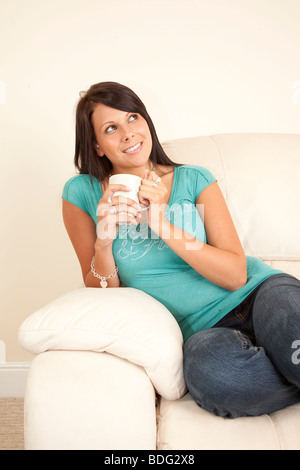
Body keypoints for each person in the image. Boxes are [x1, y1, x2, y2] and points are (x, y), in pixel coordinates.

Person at [62, 81, 300, 418]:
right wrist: (104, 239)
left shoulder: (194, 179)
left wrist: (160, 222)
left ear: (146, 122)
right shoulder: (81, 194)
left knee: (294, 333)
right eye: (111, 128)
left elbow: (235, 276)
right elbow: (101, 291)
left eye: (133, 118)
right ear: (97, 146)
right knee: (219, 381)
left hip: (261, 292)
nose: (128, 134)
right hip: (204, 330)